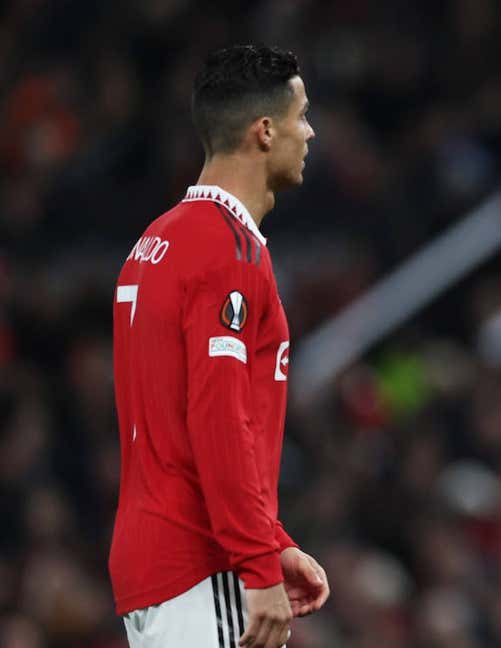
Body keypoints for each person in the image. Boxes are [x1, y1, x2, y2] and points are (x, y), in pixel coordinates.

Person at [109, 45, 327, 648]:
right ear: (264, 131)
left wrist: (274, 541)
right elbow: (217, 419)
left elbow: (174, 424)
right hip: (202, 560)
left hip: (153, 559)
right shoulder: (229, 254)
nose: (309, 133)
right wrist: (257, 563)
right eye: (301, 115)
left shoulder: (155, 242)